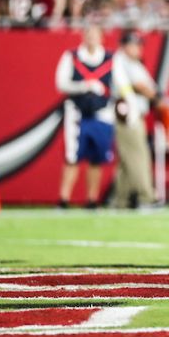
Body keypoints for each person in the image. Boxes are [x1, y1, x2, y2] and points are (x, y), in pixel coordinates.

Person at [55, 25, 126, 209]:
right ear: (83, 36)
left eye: (96, 34)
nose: (92, 38)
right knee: (73, 157)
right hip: (77, 112)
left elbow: (121, 84)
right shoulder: (72, 56)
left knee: (97, 158)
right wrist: (84, 86)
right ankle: (64, 199)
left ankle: (92, 199)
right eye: (89, 34)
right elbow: (61, 83)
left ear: (102, 37)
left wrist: (126, 102)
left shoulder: (112, 58)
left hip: (102, 112)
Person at [111, 31, 158, 209]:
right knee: (138, 157)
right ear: (124, 45)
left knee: (127, 160)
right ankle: (147, 197)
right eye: (134, 44)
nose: (138, 48)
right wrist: (154, 95)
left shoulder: (132, 63)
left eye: (139, 44)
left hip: (133, 115)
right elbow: (141, 87)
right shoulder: (122, 62)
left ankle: (120, 199)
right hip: (128, 116)